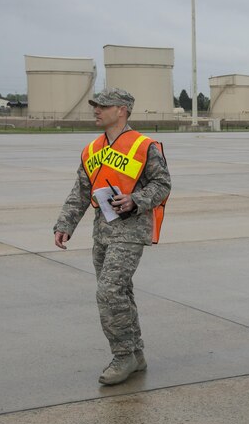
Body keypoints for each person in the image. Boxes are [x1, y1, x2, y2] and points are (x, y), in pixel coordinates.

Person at [54, 87, 171, 386]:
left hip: (131, 230)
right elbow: (80, 191)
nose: (96, 110)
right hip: (102, 232)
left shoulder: (145, 146)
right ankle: (136, 353)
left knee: (108, 292)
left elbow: (162, 185)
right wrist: (65, 224)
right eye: (95, 105)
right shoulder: (91, 150)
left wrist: (136, 200)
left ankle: (122, 356)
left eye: (103, 106)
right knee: (121, 293)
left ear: (122, 110)